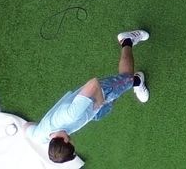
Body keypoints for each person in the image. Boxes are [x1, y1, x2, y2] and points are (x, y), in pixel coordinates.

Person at [28, 28, 151, 163]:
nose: (73, 142)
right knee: (110, 101)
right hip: (91, 112)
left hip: (100, 92)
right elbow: (26, 128)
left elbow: (93, 84)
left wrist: (100, 101)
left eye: (71, 142)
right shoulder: (39, 136)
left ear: (64, 139)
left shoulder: (71, 115)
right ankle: (134, 81)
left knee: (126, 78)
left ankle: (127, 41)